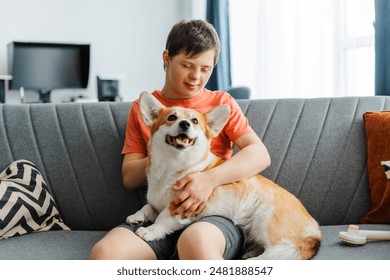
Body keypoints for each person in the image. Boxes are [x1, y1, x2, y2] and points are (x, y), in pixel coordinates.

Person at [90, 19, 271, 260]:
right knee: (106, 254)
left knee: (195, 243)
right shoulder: (145, 110)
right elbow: (129, 178)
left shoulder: (221, 104)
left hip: (212, 215)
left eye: (205, 69)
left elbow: (259, 154)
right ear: (167, 58)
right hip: (159, 210)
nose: (196, 76)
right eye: (187, 65)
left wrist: (207, 180)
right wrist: (167, 156)